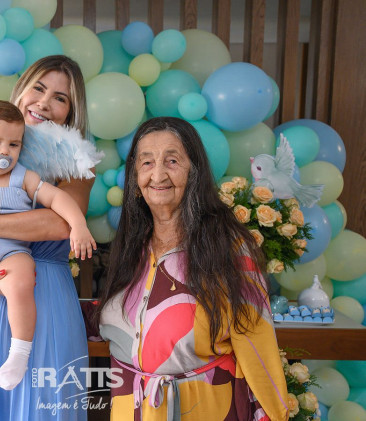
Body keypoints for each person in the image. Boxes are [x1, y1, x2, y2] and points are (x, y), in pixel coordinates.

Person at [95, 117, 289, 420]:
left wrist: (274, 414)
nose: (158, 174)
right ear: (135, 178)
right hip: (131, 406)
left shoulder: (227, 246)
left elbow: (256, 339)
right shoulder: (132, 245)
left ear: (194, 172)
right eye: (146, 163)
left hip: (205, 406)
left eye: (172, 161)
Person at [0, 56, 93, 420]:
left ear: (71, 113)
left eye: (60, 98)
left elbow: (60, 224)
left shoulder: (77, 163)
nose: (44, 102)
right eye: (38, 88)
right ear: (21, 91)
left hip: (44, 297)